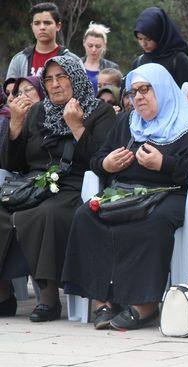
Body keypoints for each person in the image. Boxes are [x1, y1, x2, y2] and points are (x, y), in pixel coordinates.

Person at [62, 63, 188, 330]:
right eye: (134, 92)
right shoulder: (127, 122)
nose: (139, 97)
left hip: (170, 194)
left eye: (146, 89)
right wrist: (106, 165)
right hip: (124, 192)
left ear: (164, 90)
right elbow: (98, 158)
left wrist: (164, 164)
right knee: (86, 215)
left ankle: (144, 306)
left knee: (153, 223)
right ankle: (101, 302)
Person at [0, 56, 116, 320]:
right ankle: (3, 295)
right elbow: (12, 163)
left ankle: (49, 298)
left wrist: (76, 126)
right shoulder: (38, 111)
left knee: (46, 214)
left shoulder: (99, 112)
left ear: (76, 78)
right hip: (32, 184)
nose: (54, 85)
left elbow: (99, 160)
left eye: (61, 77)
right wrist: (16, 124)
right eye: (49, 79)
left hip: (74, 185)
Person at [5, 2, 81, 85]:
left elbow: (84, 93)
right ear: (32, 27)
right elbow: (9, 94)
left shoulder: (73, 60)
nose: (42, 27)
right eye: (37, 23)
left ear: (58, 26)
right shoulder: (19, 60)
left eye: (47, 23)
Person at [132, 7, 188, 88]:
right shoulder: (138, 62)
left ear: (160, 35)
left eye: (148, 39)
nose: (143, 44)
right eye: (140, 39)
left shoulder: (178, 60)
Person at [82, 22, 119, 95]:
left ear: (104, 46)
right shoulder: (76, 65)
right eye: (90, 46)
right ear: (84, 43)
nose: (93, 50)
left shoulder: (112, 68)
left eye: (98, 46)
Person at [7, 76, 46, 141]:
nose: (22, 96)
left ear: (41, 90)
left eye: (28, 90)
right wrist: (15, 123)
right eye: (19, 93)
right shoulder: (21, 119)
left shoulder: (53, 117)